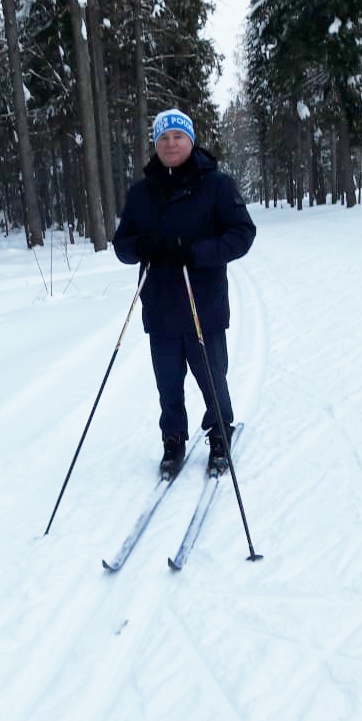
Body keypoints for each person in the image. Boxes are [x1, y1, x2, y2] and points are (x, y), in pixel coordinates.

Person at [113, 108, 256, 478]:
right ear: (155, 145)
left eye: (177, 136)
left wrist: (194, 252)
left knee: (212, 379)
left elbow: (242, 234)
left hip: (202, 305)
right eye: (163, 138)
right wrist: (144, 245)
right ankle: (173, 440)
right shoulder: (141, 193)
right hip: (159, 309)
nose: (170, 143)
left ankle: (220, 436)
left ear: (191, 141)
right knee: (168, 384)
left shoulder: (216, 185)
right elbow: (122, 246)